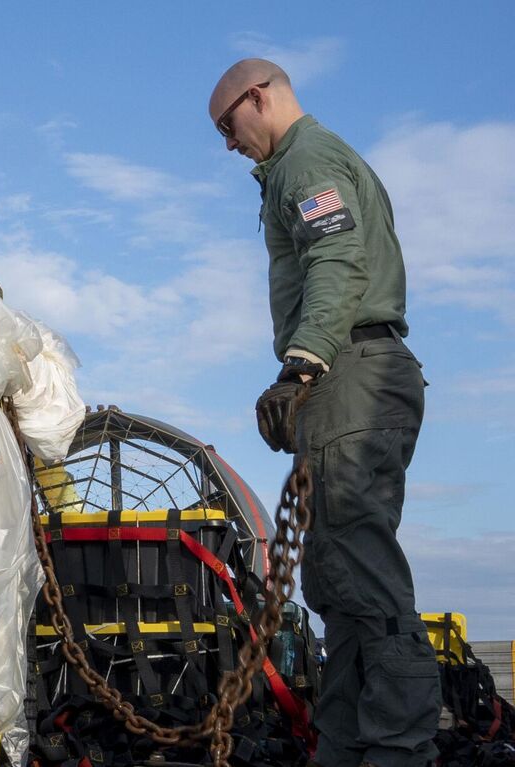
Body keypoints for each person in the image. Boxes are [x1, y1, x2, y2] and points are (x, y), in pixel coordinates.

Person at [209, 58, 438, 767]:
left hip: (353, 373)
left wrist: (303, 361)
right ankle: (343, 746)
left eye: (229, 123)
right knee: (336, 579)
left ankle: (397, 749)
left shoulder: (307, 160)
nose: (228, 143)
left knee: (363, 576)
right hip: (350, 376)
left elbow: (337, 254)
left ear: (259, 95)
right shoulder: (302, 166)